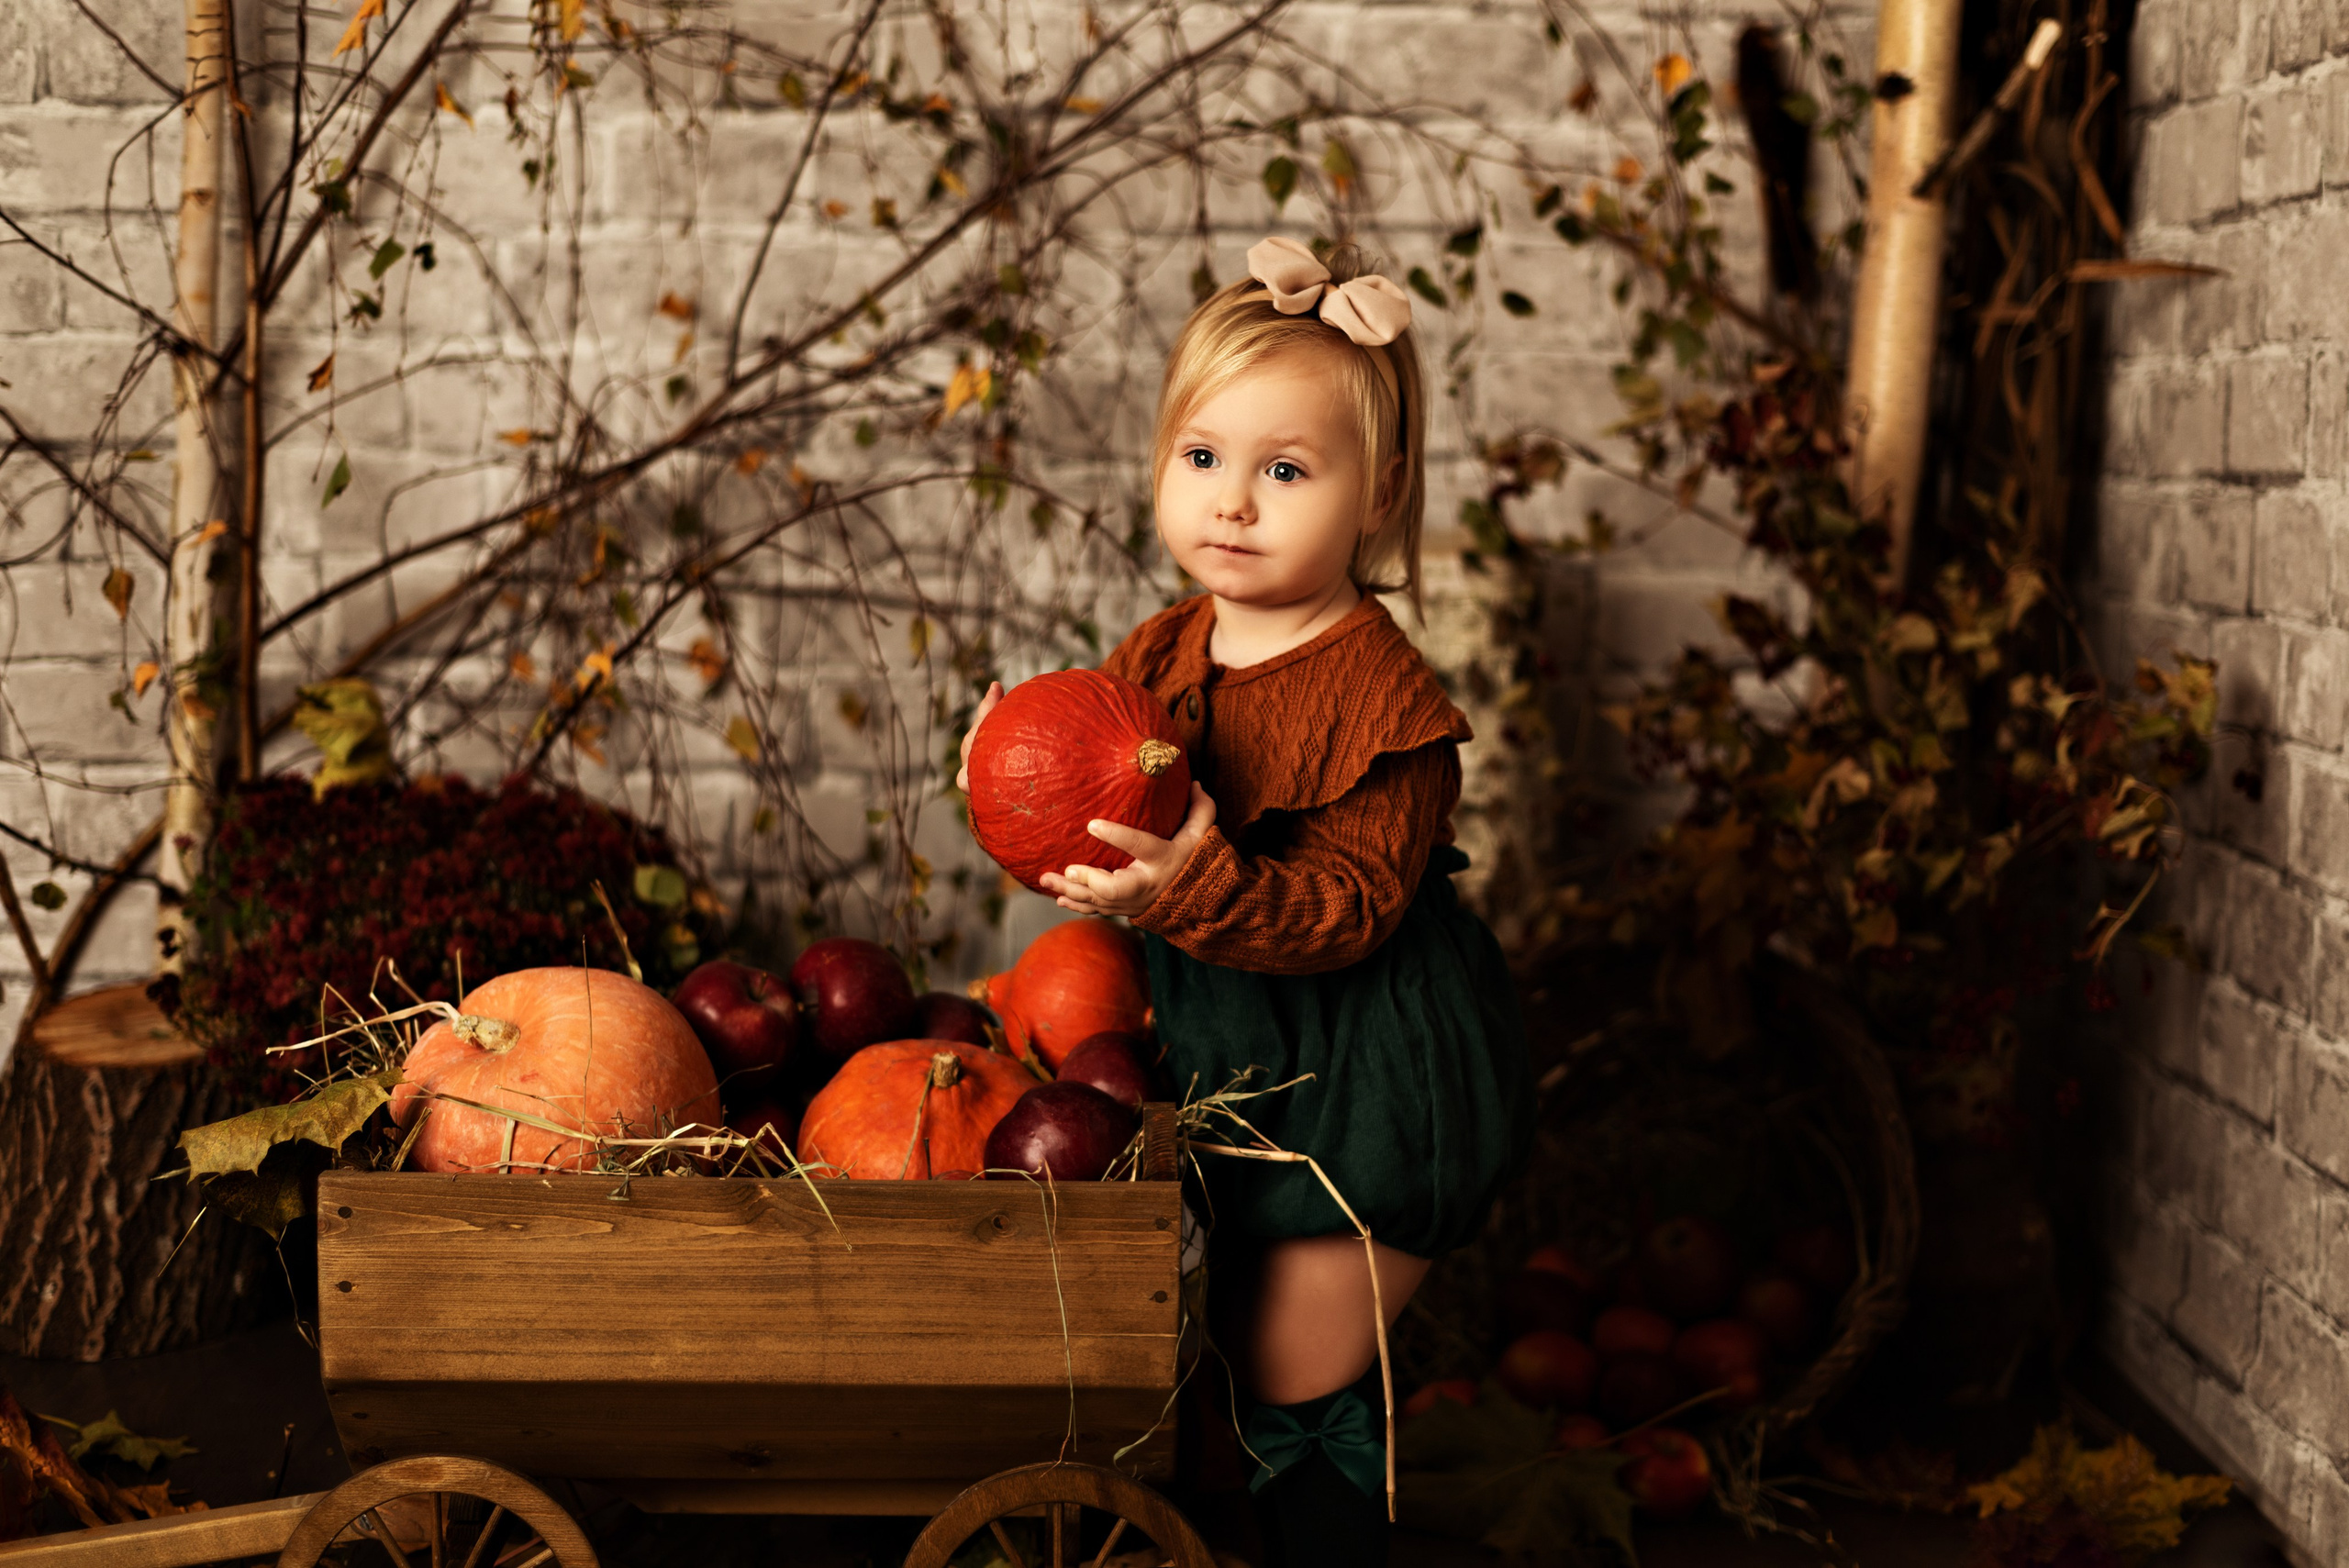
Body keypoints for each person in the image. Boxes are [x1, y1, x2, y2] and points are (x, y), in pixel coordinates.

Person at [960, 235, 1532, 1564]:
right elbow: (1102, 846)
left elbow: (1348, 910)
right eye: (1203, 455)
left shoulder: (1388, 705)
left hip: (1361, 1067)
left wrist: (1196, 883)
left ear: (1379, 493)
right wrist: (1014, 783)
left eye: (1285, 471)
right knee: (1203, 1341)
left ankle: (1331, 1542)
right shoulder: (1164, 650)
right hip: (1225, 1057)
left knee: (1294, 1358)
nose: (1232, 501)